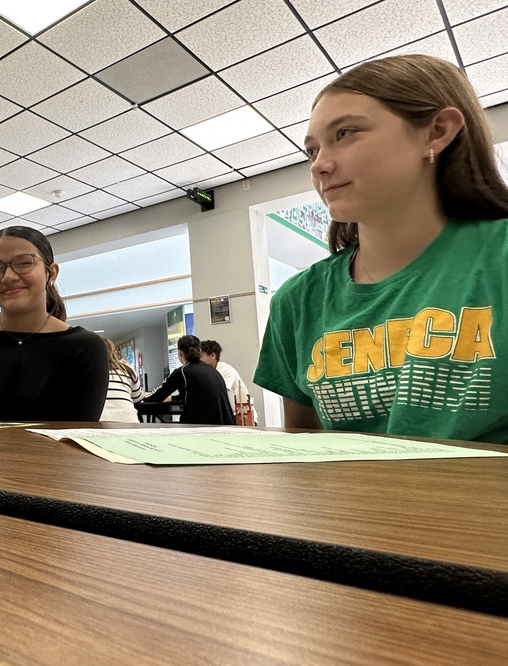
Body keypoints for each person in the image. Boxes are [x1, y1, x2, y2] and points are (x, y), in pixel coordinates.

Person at [254, 54, 508, 444]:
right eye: (312, 150)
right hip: (353, 505)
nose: (319, 165)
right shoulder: (297, 301)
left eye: (345, 133)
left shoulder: (499, 258)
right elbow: (306, 457)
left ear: (437, 131)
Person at [0, 226, 107, 421]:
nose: (8, 276)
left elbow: (78, 437)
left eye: (24, 263)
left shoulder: (85, 348)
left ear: (51, 273)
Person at [146, 335, 234, 425]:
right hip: (225, 424)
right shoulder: (213, 371)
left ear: (180, 353)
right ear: (199, 351)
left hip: (198, 426)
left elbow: (158, 396)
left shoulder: (182, 372)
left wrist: (143, 397)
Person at [201, 339, 257, 425]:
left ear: (212, 355)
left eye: (201, 356)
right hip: (229, 416)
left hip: (241, 415)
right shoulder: (209, 371)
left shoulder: (225, 370)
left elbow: (217, 391)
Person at [100, 337, 143, 422]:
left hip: (100, 422)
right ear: (115, 352)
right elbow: (137, 398)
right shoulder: (127, 369)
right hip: (129, 422)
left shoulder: (89, 370)